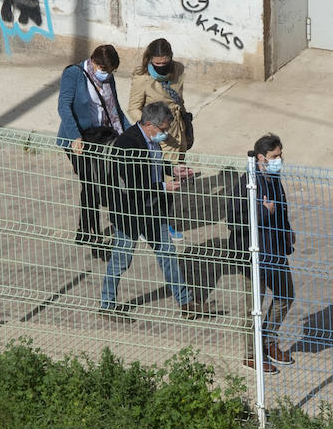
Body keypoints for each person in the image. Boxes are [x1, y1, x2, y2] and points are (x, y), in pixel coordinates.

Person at [99, 102, 218, 319]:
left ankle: (186, 303)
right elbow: (133, 184)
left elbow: (154, 163)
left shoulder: (149, 138)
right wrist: (164, 187)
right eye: (162, 130)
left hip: (153, 209)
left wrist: (173, 169)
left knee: (168, 254)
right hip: (131, 213)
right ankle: (107, 304)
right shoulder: (127, 144)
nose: (164, 135)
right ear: (148, 124)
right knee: (121, 259)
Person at [233, 133, 296, 370]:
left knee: (286, 295)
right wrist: (263, 211)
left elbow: (281, 209)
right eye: (275, 156)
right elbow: (234, 219)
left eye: (280, 155)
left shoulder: (273, 178)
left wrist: (287, 230)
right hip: (254, 253)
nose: (279, 160)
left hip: (275, 250)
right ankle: (252, 354)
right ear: (261, 157)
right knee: (253, 307)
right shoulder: (246, 181)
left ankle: (268, 339)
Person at [57, 44, 127, 252]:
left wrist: (130, 135)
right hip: (79, 140)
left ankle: (84, 231)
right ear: (94, 62)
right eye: (104, 69)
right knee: (90, 182)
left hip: (102, 137)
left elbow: (115, 108)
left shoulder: (108, 77)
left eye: (111, 71)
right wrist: (75, 137)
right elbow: (64, 106)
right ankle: (92, 236)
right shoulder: (74, 74)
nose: (107, 74)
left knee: (98, 182)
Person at [128, 38, 194, 244]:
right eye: (157, 63)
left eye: (165, 62)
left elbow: (179, 100)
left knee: (173, 182)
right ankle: (159, 224)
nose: (162, 66)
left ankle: (154, 221)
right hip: (159, 135)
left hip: (178, 132)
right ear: (150, 60)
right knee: (163, 182)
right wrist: (149, 127)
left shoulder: (179, 70)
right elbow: (133, 108)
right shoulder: (143, 80)